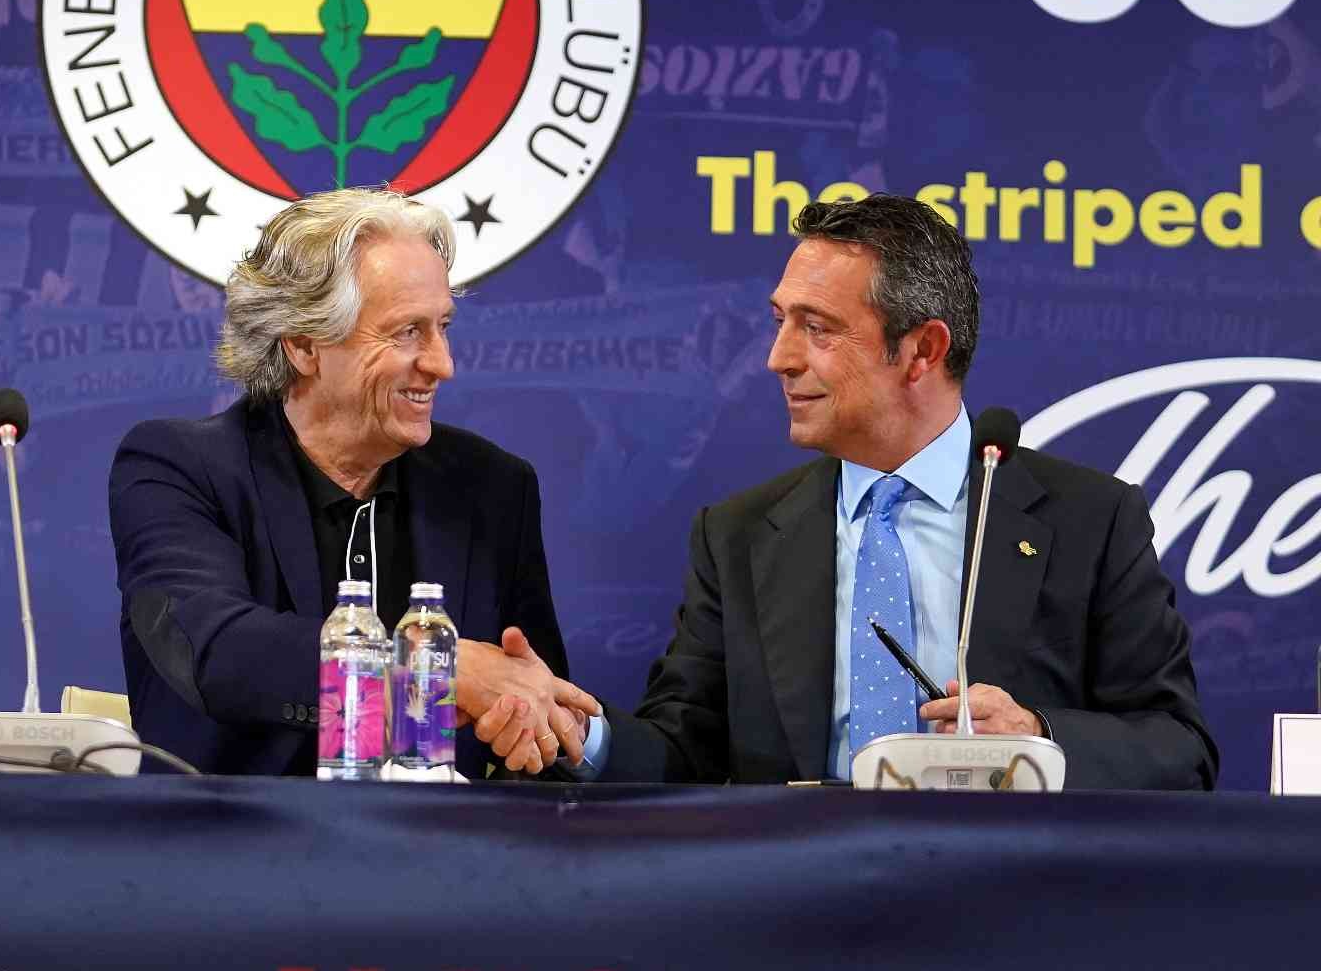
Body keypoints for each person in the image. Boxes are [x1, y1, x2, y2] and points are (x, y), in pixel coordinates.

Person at [477, 194, 1217, 790]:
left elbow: (1179, 748)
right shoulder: (738, 536)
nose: (777, 357)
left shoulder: (1090, 521)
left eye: (818, 329)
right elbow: (684, 749)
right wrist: (581, 732)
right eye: (780, 322)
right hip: (798, 900)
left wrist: (1038, 739)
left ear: (922, 350)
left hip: (1009, 900)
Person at [110, 187, 598, 777]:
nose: (441, 363)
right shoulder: (180, 467)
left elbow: (537, 704)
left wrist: (537, 726)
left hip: (441, 835)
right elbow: (213, 648)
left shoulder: (491, 488)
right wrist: (434, 672)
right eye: (407, 332)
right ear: (303, 345)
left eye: (442, 326)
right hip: (235, 830)